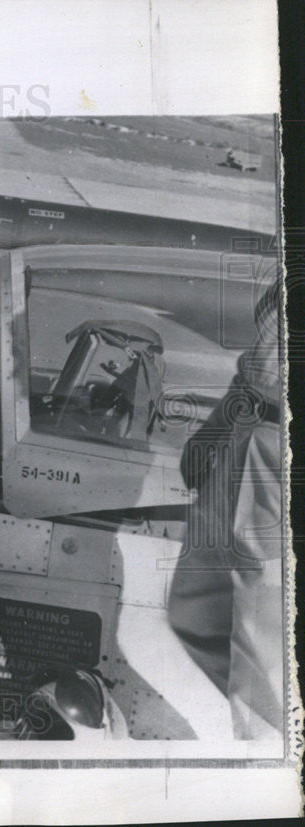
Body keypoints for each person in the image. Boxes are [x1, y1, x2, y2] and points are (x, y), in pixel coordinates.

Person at [167, 279, 284, 739]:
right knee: (193, 614)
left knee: (264, 640)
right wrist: (216, 430)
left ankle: (269, 754)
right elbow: (260, 363)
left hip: (282, 458)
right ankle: (268, 726)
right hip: (246, 430)